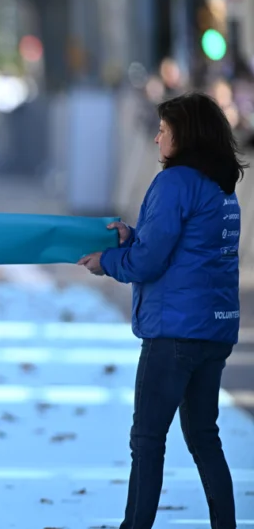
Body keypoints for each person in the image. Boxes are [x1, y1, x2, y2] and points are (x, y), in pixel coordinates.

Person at [77, 91, 243, 529]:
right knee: (205, 437)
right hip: (214, 330)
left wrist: (106, 262)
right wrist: (135, 235)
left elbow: (151, 261)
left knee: (147, 440)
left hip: (173, 332)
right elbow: (187, 249)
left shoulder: (174, 182)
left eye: (164, 130)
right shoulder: (222, 188)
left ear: (184, 135)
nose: (155, 139)